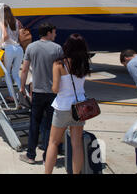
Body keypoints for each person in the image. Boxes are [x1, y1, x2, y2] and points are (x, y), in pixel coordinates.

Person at [45, 34, 91, 174]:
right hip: (80, 107)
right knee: (76, 144)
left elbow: (56, 89)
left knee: (53, 143)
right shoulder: (84, 63)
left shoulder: (59, 64)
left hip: (63, 106)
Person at [19, 23, 64, 164]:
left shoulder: (31, 47)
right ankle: (47, 157)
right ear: (49, 33)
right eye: (54, 32)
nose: (55, 35)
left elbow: (25, 70)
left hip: (37, 92)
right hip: (53, 93)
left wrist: (22, 87)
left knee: (34, 124)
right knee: (51, 125)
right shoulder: (57, 48)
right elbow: (62, 71)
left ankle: (31, 155)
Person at [0, 5, 24, 103]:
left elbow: (6, 36)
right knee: (16, 73)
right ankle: (22, 94)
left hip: (9, 48)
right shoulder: (17, 21)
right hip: (19, 48)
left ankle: (12, 96)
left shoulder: (2, 22)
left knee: (7, 72)